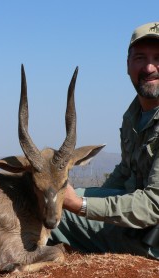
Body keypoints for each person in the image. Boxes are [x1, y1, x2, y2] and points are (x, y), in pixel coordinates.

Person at [49, 21, 159, 259]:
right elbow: (126, 171)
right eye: (140, 57)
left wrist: (81, 205)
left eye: (158, 57)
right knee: (57, 200)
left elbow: (152, 205)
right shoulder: (134, 114)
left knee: (55, 214)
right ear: (128, 65)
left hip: (153, 234)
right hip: (138, 217)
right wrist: (78, 194)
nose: (150, 67)